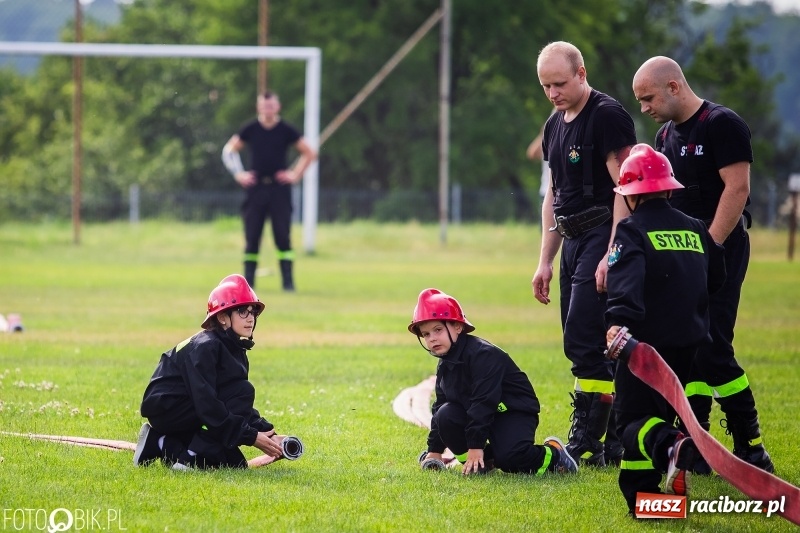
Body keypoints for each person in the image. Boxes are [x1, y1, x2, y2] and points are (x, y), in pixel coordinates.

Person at [632, 56, 774, 473]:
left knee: (712, 347)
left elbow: (737, 188)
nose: (644, 107)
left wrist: (708, 247)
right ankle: (697, 440)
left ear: (674, 86)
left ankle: (751, 446)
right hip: (682, 254)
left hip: (721, 251)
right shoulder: (664, 135)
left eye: (648, 97)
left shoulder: (722, 124)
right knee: (684, 345)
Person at [604, 143, 726, 514]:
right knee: (653, 416)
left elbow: (623, 290)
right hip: (688, 344)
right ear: (670, 188)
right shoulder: (695, 229)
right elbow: (716, 279)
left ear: (630, 195)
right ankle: (649, 501)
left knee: (630, 420)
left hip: (643, 346)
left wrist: (617, 331)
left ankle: (672, 444)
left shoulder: (631, 230)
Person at [531, 41, 637, 466]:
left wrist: (612, 252)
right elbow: (553, 195)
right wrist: (545, 260)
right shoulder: (554, 125)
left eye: (559, 83)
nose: (553, 93)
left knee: (587, 337)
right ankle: (602, 438)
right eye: (545, 86)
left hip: (602, 234)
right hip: (572, 241)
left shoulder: (607, 115)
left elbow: (626, 189)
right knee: (579, 341)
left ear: (581, 73)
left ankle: (598, 437)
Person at [409, 288, 578, 476]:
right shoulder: (445, 363)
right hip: (481, 413)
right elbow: (441, 405)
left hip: (512, 411)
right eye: (426, 334)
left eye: (437, 330)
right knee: (445, 414)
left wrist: (474, 446)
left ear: (457, 327)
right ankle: (482, 462)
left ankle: (555, 455)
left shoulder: (483, 355)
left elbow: (484, 402)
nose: (432, 338)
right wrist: (434, 450)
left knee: (510, 459)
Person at [134, 274, 288, 470]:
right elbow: (208, 403)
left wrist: (269, 434)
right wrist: (250, 436)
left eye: (253, 312)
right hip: (168, 409)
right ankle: (190, 456)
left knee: (234, 465)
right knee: (243, 390)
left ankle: (158, 442)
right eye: (242, 311)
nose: (250, 318)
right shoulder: (206, 347)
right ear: (223, 317)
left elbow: (233, 405)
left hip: (187, 410)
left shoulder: (232, 347)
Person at [222, 91, 317, 292]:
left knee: (282, 235)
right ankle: (248, 285)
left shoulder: (286, 129)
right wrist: (239, 174)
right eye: (265, 106)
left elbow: (309, 152)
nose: (268, 110)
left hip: (279, 189)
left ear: (278, 107)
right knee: (252, 236)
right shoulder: (250, 129)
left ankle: (288, 283)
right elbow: (229, 151)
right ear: (259, 108)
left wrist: (295, 174)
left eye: (271, 106)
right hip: (255, 188)